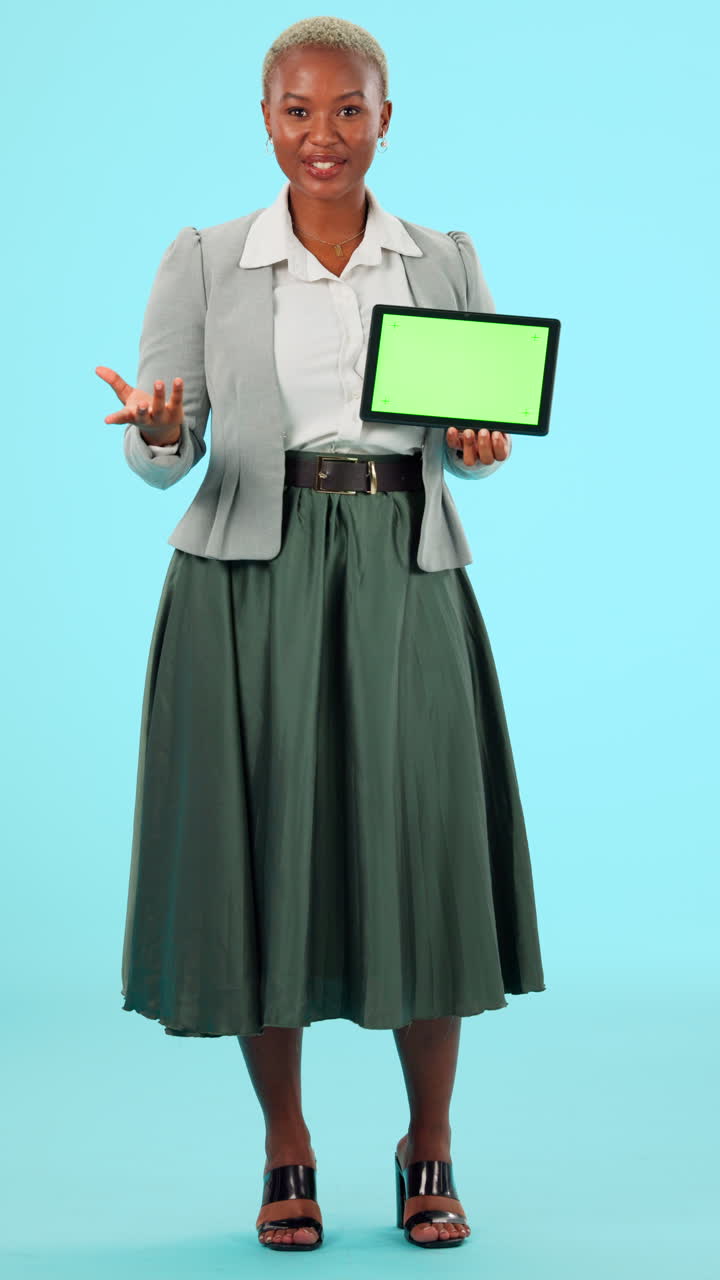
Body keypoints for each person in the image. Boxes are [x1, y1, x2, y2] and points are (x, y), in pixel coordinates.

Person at [96, 15, 546, 1254]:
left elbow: (473, 443)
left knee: (424, 848)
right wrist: (155, 426)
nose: (324, 135)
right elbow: (161, 452)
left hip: (404, 570)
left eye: (348, 109)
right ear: (266, 121)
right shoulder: (204, 259)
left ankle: (428, 1141)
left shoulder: (442, 258)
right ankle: (285, 1141)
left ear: (385, 119)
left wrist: (479, 447)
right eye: (298, 110)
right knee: (263, 855)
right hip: (250, 575)